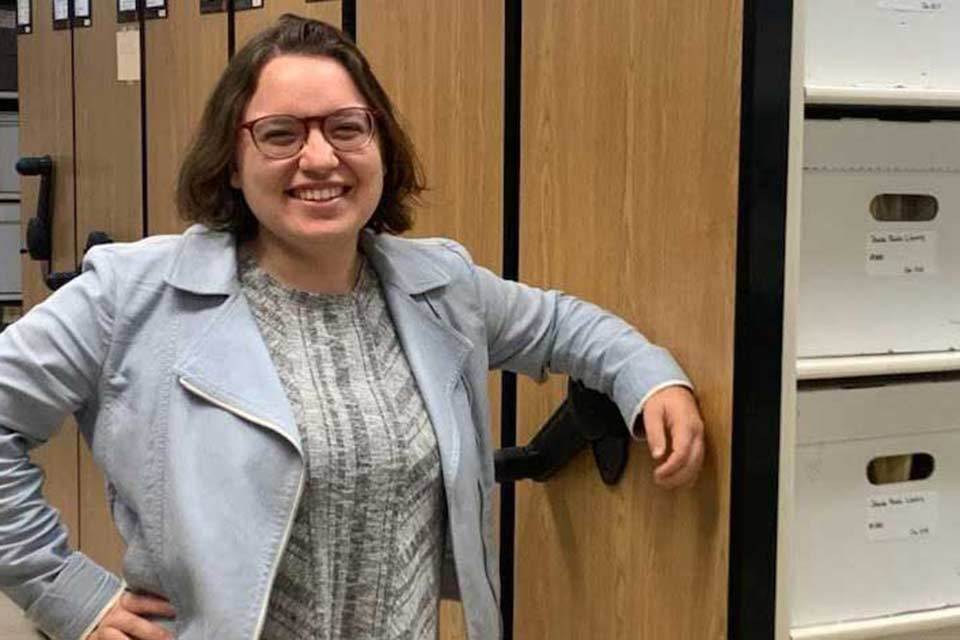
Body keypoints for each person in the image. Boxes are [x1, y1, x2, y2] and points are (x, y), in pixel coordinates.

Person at [0, 14, 705, 640]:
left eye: (346, 127)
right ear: (234, 163)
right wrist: (70, 596)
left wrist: (647, 377)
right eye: (280, 134)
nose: (320, 158)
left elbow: (559, 325)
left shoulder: (438, 286)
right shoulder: (136, 294)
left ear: (380, 144)